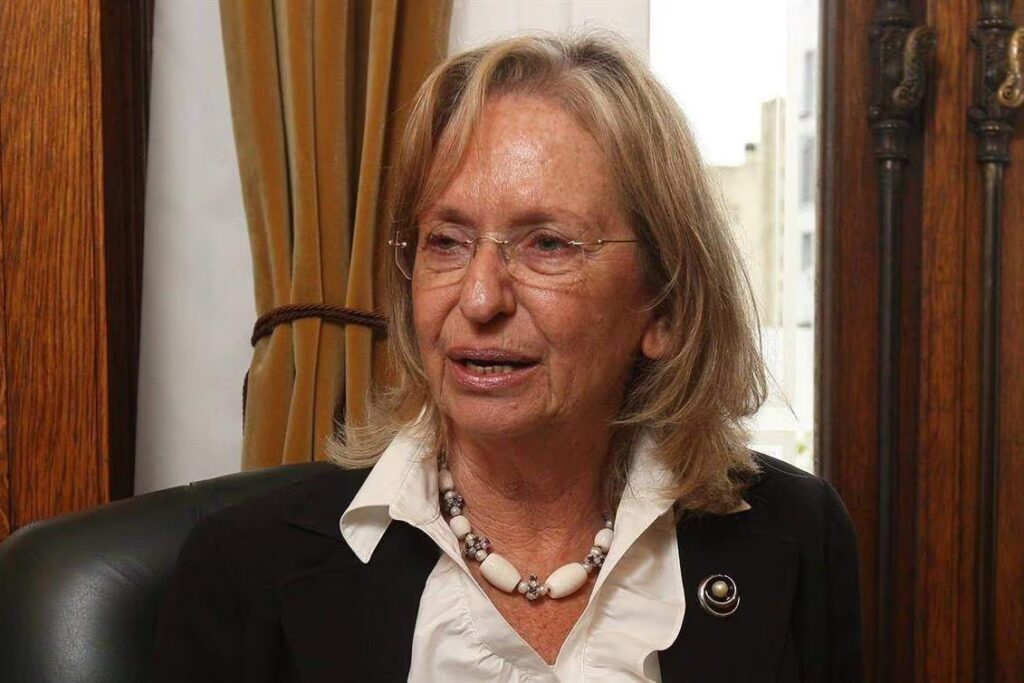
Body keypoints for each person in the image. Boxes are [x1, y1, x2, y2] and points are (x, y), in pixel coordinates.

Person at [152, 32, 863, 682]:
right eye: (446, 241)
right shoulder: (243, 568)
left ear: (665, 307)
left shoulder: (795, 535)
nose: (480, 297)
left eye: (547, 244)